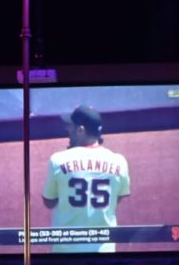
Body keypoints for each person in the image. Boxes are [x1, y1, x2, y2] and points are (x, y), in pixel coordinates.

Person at [42, 104, 130, 253]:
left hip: (65, 251)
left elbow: (49, 201)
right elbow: (117, 198)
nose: (68, 130)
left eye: (71, 126)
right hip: (104, 250)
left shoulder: (58, 160)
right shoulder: (119, 161)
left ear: (80, 130)